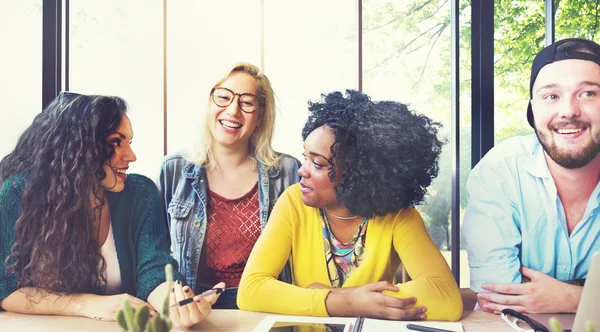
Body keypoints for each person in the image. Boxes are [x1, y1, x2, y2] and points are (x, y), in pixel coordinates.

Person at [0, 92, 222, 329]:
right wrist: (86, 304)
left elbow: (153, 270)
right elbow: (6, 289)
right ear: (77, 147)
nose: (131, 156)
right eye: (116, 142)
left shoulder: (140, 192)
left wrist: (175, 302)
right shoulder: (21, 192)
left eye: (129, 142)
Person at [238, 90, 462, 321]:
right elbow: (251, 290)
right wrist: (345, 302)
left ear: (357, 173)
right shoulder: (293, 203)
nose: (302, 170)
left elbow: (445, 297)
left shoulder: (398, 217)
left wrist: (335, 295)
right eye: (304, 157)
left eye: (317, 163)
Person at [462, 38, 600, 314]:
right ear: (532, 110)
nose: (569, 111)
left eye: (588, 93)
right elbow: (499, 299)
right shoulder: (499, 172)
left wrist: (573, 298)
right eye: (551, 96)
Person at [157, 63, 300, 309]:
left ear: (260, 116)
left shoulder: (287, 172)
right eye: (223, 97)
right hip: (196, 311)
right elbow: (157, 255)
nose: (233, 110)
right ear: (210, 103)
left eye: (247, 102)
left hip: (266, 308)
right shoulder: (174, 170)